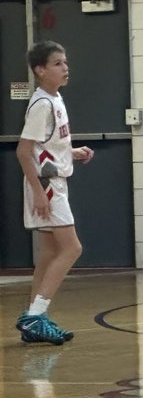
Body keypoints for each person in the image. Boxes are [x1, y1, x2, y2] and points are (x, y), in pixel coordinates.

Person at [13, 40, 94, 346]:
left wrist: (72, 152)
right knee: (72, 248)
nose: (65, 68)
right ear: (40, 70)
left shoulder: (54, 98)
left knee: (49, 253)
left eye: (65, 62)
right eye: (58, 63)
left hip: (52, 180)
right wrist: (37, 192)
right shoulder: (42, 104)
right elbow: (23, 152)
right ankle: (36, 315)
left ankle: (33, 318)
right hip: (46, 185)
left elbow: (43, 148)